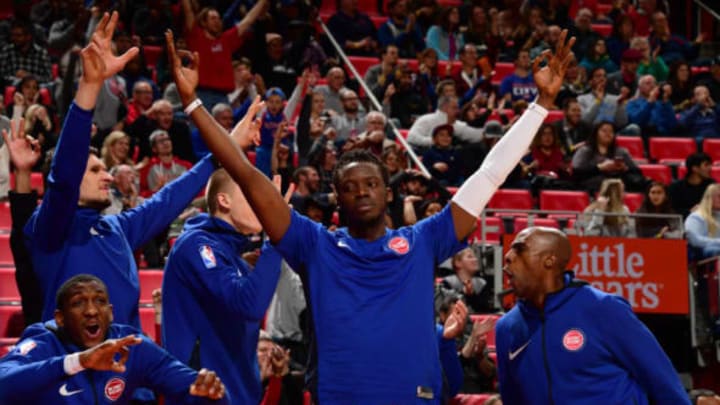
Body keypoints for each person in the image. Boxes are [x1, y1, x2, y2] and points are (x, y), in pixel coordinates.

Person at [167, 28, 576, 403]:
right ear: (336, 200)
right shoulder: (314, 244)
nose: (361, 191)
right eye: (349, 186)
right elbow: (244, 172)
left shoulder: (424, 239)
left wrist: (541, 106)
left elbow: (489, 172)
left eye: (370, 183)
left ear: (389, 193)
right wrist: (194, 103)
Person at [22, 12, 223, 328]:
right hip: (73, 370)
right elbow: (64, 177)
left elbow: (169, 198)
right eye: (95, 170)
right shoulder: (50, 229)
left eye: (104, 169)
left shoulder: (116, 228)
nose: (108, 175)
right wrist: (90, 85)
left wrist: (223, 151)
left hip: (129, 369)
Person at [497, 227, 690, 404]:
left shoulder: (604, 309)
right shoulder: (506, 328)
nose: (508, 256)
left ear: (549, 259)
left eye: (520, 249)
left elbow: (661, 380)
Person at [0, 274, 230, 405]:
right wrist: (78, 361)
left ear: (110, 313)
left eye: (99, 301)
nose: (91, 311)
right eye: (78, 303)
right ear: (60, 318)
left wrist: (209, 395)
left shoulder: (133, 346)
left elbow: (189, 387)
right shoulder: (42, 343)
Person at [162, 168, 283, 404]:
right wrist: (276, 233)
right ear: (224, 200)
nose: (261, 203)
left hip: (239, 394)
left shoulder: (235, 258)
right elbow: (249, 306)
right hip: (202, 395)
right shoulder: (195, 245)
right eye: (250, 194)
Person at [668, 152, 715, 219]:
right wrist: (689, 211)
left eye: (710, 165)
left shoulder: (712, 185)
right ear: (694, 168)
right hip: (683, 223)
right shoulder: (675, 187)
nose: (710, 168)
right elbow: (672, 211)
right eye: (706, 165)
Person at [685, 184, 720, 259]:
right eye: (719, 196)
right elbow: (694, 240)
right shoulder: (696, 217)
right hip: (702, 256)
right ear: (709, 198)